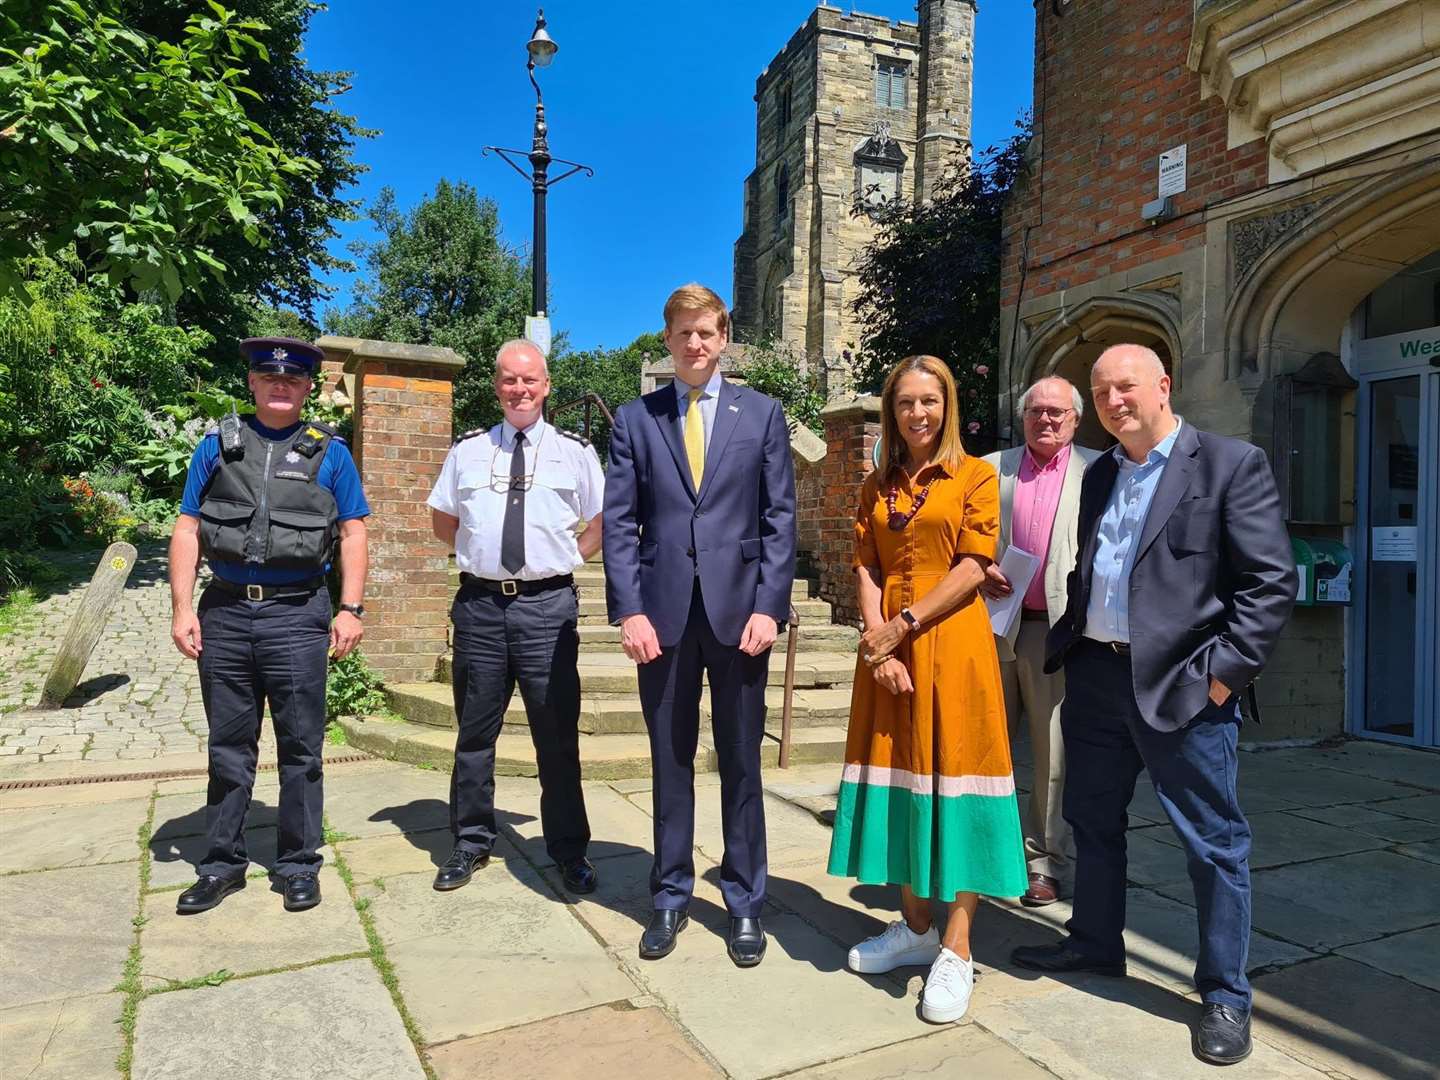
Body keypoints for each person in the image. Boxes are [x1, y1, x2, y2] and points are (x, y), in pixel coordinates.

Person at [1011, 344, 1297, 1066]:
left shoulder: (1230, 464)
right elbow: (1101, 564)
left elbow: (1269, 583)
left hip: (1185, 687)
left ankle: (1225, 996)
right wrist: (1073, 641)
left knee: (1212, 843)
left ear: (1164, 387)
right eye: (1102, 392)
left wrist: (1223, 676)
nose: (1112, 401)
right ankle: (1096, 945)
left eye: (1125, 387)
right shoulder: (1104, 469)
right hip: (1097, 679)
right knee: (1091, 822)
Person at [828, 355, 1027, 1024]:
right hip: (890, 650)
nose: (918, 412)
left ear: (948, 406)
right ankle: (914, 927)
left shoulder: (975, 475)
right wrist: (878, 638)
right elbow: (863, 563)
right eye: (907, 401)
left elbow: (974, 566)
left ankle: (958, 946)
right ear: (892, 409)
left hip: (955, 646)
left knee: (963, 785)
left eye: (930, 401)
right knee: (904, 783)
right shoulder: (875, 485)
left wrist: (905, 623)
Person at [603, 284, 796, 968]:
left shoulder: (762, 414)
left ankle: (745, 902)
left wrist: (771, 607)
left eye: (707, 333)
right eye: (684, 332)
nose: (695, 344)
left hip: (740, 615)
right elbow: (620, 524)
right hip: (661, 618)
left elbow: (779, 519)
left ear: (724, 338)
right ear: (668, 337)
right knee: (669, 759)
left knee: (742, 761)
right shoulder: (636, 418)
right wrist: (628, 610)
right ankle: (668, 895)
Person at [169, 336, 369, 914]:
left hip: (298, 614)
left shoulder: (330, 453)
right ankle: (221, 865)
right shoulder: (217, 447)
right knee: (229, 746)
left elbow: (353, 531)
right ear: (253, 383)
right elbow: (187, 528)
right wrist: (183, 607)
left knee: (301, 747)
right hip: (226, 612)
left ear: (308, 388)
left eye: (293, 380)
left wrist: (350, 608)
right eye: (269, 377)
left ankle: (298, 863)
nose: (281, 386)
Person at [427, 339, 603, 896]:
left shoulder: (575, 451)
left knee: (556, 738)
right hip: (480, 607)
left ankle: (569, 850)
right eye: (509, 380)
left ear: (546, 386)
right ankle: (470, 842)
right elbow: (442, 519)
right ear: (496, 386)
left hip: (548, 609)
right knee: (475, 735)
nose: (519, 389)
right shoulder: (468, 450)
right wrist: (483, 557)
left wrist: (564, 559)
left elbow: (602, 519)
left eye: (530, 380)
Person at [980, 377, 1100, 907]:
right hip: (988, 626)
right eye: (1035, 411)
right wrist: (980, 565)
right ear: (1022, 415)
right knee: (984, 748)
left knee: (1052, 755)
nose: (1045, 420)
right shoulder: (989, 468)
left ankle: (1043, 862)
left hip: (1053, 634)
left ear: (1076, 419)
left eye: (1057, 412)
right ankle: (982, 850)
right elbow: (963, 535)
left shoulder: (1100, 470)